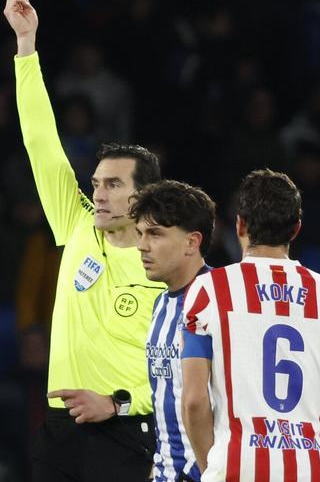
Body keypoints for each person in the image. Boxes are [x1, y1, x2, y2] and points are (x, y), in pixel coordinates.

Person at [4, 0, 164, 481]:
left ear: (144, 194)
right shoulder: (77, 226)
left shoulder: (169, 265)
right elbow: (41, 141)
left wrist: (117, 404)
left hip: (128, 429)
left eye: (113, 185)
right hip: (60, 429)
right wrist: (26, 46)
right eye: (96, 184)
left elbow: (182, 370)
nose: (99, 194)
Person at [181, 169, 320, 481]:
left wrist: (212, 468)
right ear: (296, 229)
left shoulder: (209, 290)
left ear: (240, 224)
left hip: (236, 468)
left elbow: (195, 401)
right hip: (308, 471)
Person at [130, 180, 217, 482]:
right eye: (140, 233)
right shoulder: (161, 304)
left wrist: (206, 472)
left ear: (192, 242)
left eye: (155, 233)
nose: (142, 245)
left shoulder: (222, 303)